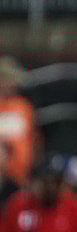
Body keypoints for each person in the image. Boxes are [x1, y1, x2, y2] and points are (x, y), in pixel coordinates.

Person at [0, 56, 36, 186]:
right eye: (8, 79)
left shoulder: (24, 106)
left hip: (19, 177)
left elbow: (33, 139)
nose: (13, 83)